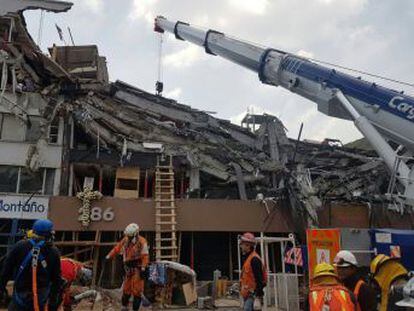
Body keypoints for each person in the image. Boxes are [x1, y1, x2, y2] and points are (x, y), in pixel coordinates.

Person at [0, 219, 62, 311]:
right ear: (49, 234)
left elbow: (6, 271)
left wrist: (2, 289)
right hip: (41, 301)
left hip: (19, 300)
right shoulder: (53, 252)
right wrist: (53, 302)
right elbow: (56, 280)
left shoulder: (19, 246)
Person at [106, 223, 149, 311]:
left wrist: (143, 268)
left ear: (135, 234)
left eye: (129, 236)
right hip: (128, 268)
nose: (128, 237)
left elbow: (145, 256)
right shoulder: (125, 240)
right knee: (126, 289)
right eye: (127, 235)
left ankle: (135, 309)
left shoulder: (142, 242)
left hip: (138, 268)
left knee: (137, 291)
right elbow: (117, 248)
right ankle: (124, 307)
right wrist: (109, 256)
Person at [239, 232, 266, 311]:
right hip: (247, 294)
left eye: (242, 244)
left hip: (252, 295)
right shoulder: (248, 258)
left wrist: (258, 296)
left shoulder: (254, 259)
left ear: (248, 245)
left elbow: (259, 279)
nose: (241, 246)